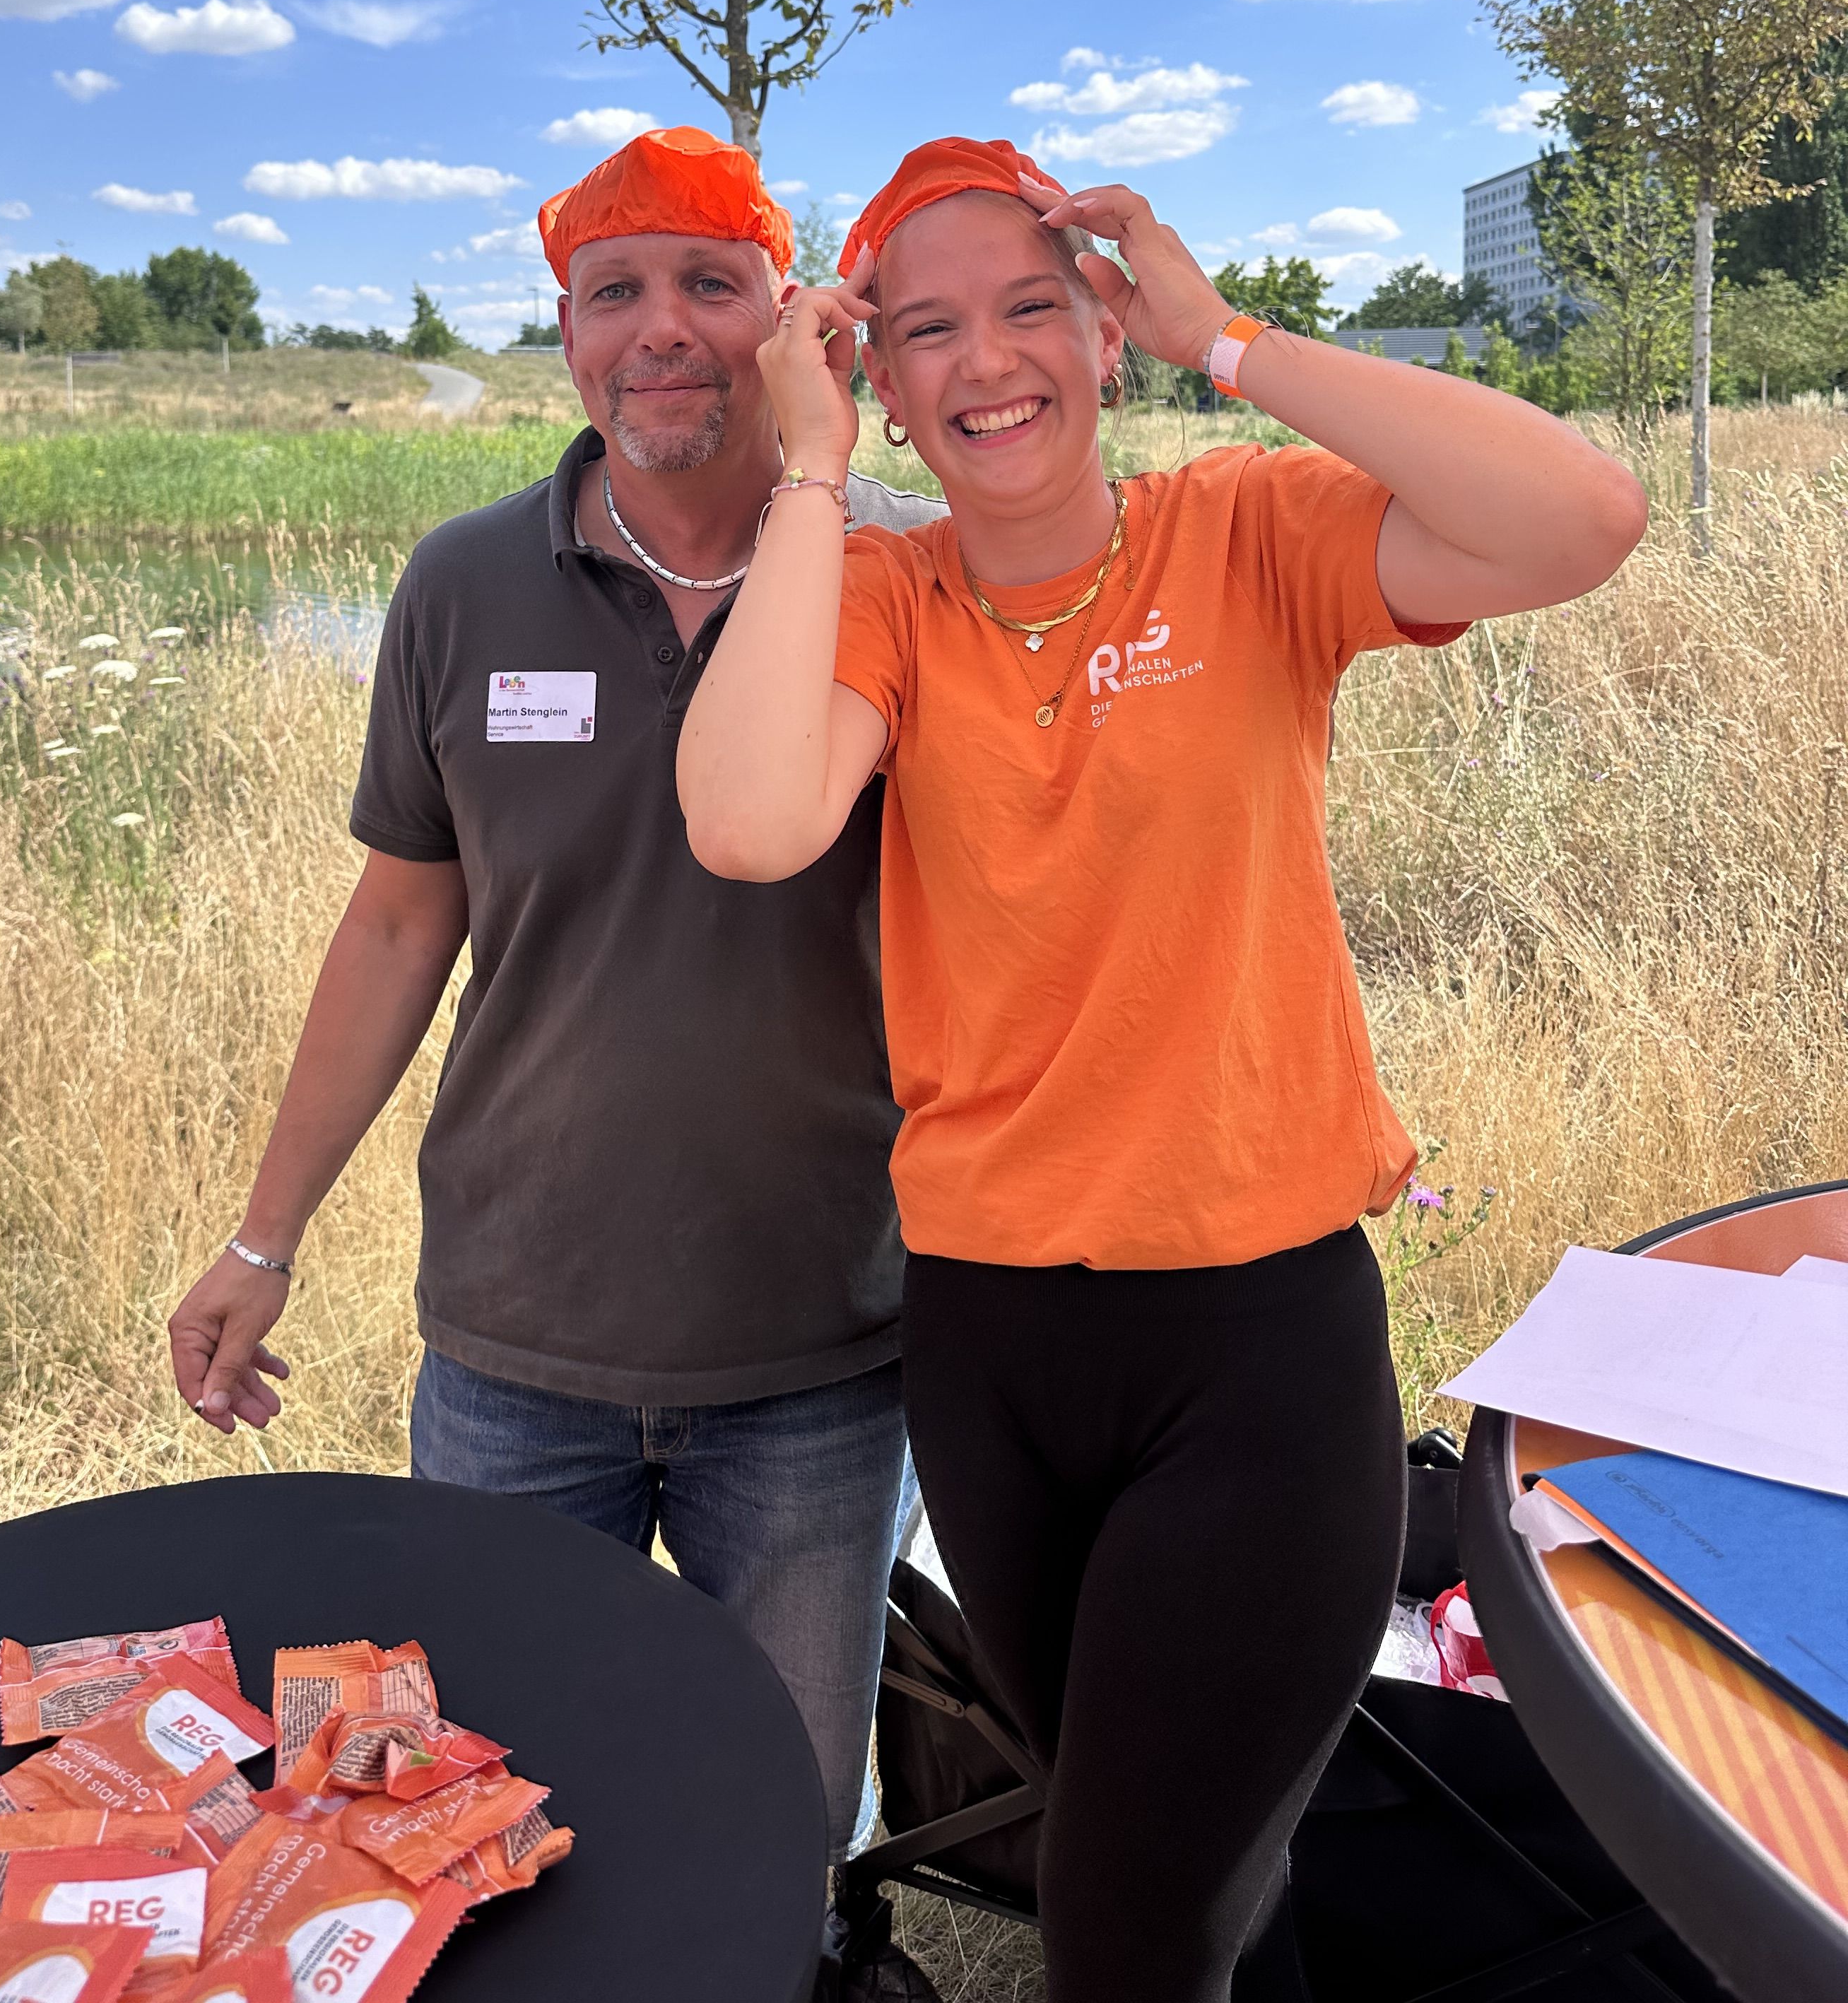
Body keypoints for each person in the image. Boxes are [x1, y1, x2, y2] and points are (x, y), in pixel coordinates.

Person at [678, 136, 1649, 2001]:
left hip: (1254, 1347)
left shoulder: (1245, 536)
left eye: (1032, 307)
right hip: (992, 1349)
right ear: (881, 377)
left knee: (1124, 1920)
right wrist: (806, 467)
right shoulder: (886, 594)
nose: (988, 361)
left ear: (1104, 335)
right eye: (929, 330)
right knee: (1201, 1884)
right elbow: (746, 819)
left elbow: (1583, 518)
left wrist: (1234, 341)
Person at [167, 127, 943, 1999]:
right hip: (516, 1339)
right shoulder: (464, 586)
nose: (660, 329)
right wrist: (263, 1239)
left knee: (790, 1807)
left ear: (790, 317)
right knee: (490, 1800)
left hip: (823, 1343)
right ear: (568, 330)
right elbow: (396, 930)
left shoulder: (900, 576)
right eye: (616, 292)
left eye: (710, 284)